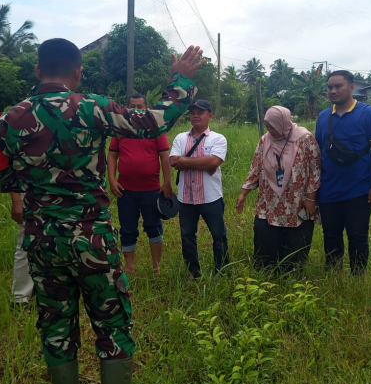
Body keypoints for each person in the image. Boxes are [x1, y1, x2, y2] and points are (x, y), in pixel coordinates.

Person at [0, 38, 204, 384]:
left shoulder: (9, 120)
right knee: (113, 327)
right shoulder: (92, 107)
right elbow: (153, 122)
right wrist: (179, 80)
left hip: (42, 240)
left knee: (56, 327)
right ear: (78, 72)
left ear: (38, 70)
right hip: (93, 239)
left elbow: (0, 180)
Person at [314, 70, 371, 275]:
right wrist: (314, 190)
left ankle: (357, 279)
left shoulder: (367, 113)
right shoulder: (322, 117)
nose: (334, 91)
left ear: (352, 87)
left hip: (360, 189)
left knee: (358, 236)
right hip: (329, 190)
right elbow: (318, 153)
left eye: (339, 86)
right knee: (331, 235)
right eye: (330, 87)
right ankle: (334, 276)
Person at [236, 106, 321, 273]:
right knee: (265, 234)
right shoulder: (265, 140)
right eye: (267, 126)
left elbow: (315, 170)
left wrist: (311, 199)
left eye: (273, 126)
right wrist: (243, 193)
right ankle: (267, 271)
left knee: (295, 238)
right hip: (269, 201)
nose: (270, 130)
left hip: (296, 201)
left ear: (284, 122)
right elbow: (256, 168)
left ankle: (292, 272)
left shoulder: (304, 139)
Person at [107, 93, 173, 275]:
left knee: (153, 226)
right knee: (127, 229)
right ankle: (129, 267)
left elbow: (165, 157)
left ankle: (156, 266)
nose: (136, 109)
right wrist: (112, 180)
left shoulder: (155, 129)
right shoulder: (120, 129)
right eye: (133, 106)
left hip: (151, 190)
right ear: (127, 109)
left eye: (141, 106)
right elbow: (112, 155)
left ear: (147, 109)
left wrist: (167, 182)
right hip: (125, 190)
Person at [170, 100, 229, 279]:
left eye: (200, 112)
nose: (195, 115)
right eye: (193, 112)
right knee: (187, 235)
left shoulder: (218, 138)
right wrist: (204, 163)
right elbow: (173, 161)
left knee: (219, 235)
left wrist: (186, 162)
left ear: (210, 115)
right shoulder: (180, 137)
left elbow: (214, 162)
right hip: (186, 198)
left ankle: (222, 271)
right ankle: (193, 271)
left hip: (211, 197)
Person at [10, 192, 34, 305]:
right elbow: (12, 174)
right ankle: (20, 298)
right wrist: (16, 200)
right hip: (31, 195)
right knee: (26, 243)